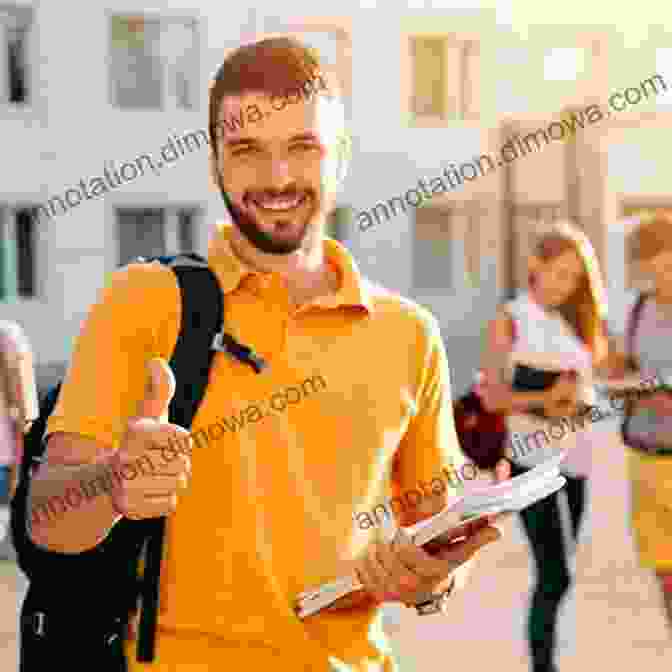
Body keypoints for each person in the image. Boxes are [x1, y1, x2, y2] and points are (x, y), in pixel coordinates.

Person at [28, 37, 510, 671]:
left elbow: (439, 536)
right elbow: (48, 519)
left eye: (302, 147)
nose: (277, 178)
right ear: (216, 162)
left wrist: (430, 581)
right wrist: (115, 484)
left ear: (340, 156)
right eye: (247, 150)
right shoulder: (143, 301)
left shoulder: (409, 335)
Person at [478, 221, 610, 672]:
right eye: (558, 273)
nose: (565, 285)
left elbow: (587, 387)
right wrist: (545, 399)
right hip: (531, 463)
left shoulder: (570, 321)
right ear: (535, 265)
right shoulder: (511, 318)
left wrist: (580, 401)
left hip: (576, 461)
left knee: (561, 575)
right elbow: (492, 396)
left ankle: (547, 660)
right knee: (557, 573)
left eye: (574, 278)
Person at [612, 212, 672, 633]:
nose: (660, 278)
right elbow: (625, 371)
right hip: (644, 460)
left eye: (667, 265)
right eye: (651, 269)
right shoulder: (636, 310)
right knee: (665, 576)